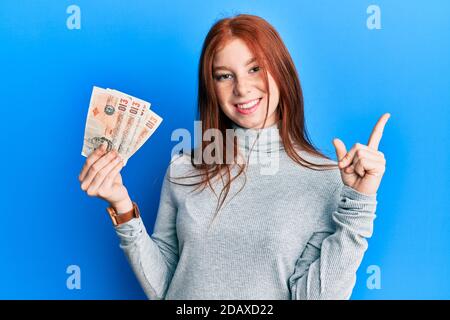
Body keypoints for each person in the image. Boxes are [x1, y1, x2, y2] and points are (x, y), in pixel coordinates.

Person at [78, 14, 390, 300]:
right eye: (224, 76)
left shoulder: (326, 179)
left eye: (255, 68)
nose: (242, 88)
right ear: (211, 88)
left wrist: (360, 202)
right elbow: (164, 290)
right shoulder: (184, 168)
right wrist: (121, 205)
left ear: (282, 71)